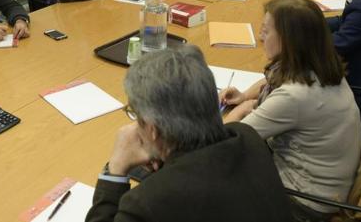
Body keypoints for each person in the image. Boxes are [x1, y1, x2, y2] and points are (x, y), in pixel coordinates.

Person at [85, 46, 292, 222]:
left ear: (153, 129)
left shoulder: (146, 203)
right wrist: (165, 160)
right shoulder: (246, 136)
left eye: (135, 114)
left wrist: (115, 170)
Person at [221, 0, 361, 222]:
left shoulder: (294, 96)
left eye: (266, 31)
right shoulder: (321, 68)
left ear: (288, 40)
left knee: (209, 176)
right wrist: (248, 99)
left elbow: (225, 140)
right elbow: (277, 92)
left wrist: (239, 111)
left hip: (302, 204)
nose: (260, 37)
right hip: (330, 187)